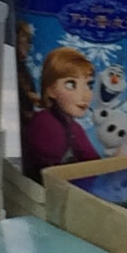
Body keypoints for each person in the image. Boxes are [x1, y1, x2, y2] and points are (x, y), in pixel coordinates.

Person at [21, 45, 101, 181]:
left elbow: (96, 165)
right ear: (51, 90)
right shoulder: (44, 123)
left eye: (89, 85)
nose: (85, 95)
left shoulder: (75, 128)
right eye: (71, 84)